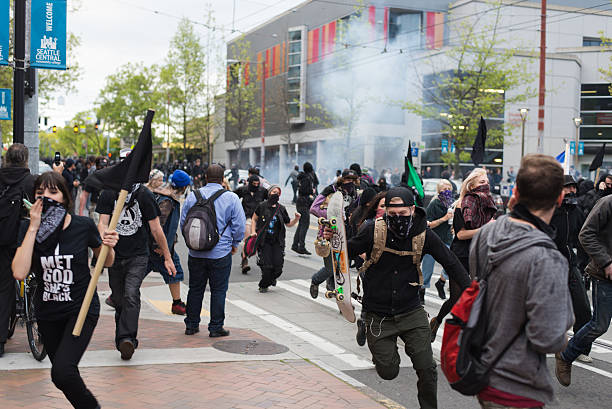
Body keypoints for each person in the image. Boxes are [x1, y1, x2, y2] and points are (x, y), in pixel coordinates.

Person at [323, 187, 470, 409]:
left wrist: (472, 292)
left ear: (412, 209)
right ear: (385, 212)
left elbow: (451, 263)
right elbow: (343, 256)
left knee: (427, 367)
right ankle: (380, 351)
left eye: (402, 214)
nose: (397, 219)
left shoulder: (424, 233)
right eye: (392, 215)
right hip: (378, 315)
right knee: (388, 372)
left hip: (411, 311)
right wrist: (333, 241)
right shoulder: (373, 230)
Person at [471, 154, 573, 408]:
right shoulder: (549, 259)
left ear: (515, 191)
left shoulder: (486, 234)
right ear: (559, 198)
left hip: (482, 371)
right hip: (520, 386)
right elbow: (548, 338)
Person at [12, 171, 119, 408]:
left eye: (53, 192)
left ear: (65, 197)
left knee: (62, 372)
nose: (46, 197)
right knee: (62, 374)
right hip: (48, 313)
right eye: (40, 193)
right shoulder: (28, 229)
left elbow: (107, 261)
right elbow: (19, 272)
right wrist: (33, 228)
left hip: (80, 309)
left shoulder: (82, 225)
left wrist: (109, 246)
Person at [96, 180, 176, 360]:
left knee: (131, 293)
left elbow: (156, 228)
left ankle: (127, 338)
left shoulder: (144, 195)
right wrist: (104, 237)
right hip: (114, 254)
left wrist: (167, 257)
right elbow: (102, 222)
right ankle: (122, 337)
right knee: (118, 297)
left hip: (138, 255)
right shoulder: (109, 192)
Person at [430, 168, 497, 340]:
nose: (485, 185)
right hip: (460, 255)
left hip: (480, 253)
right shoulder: (462, 204)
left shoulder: (487, 204)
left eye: (487, 182)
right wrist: (485, 228)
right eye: (482, 182)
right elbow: (460, 234)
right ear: (471, 184)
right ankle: (437, 321)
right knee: (457, 297)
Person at [555, 187, 612, 387]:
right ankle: (566, 355)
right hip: (603, 274)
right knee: (599, 324)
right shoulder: (607, 203)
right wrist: (606, 262)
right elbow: (586, 234)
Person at [181, 164, 245, 337]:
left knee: (195, 288)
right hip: (220, 252)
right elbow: (239, 226)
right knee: (218, 290)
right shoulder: (231, 198)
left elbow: (183, 223)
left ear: (205, 177)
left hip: (195, 252)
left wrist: (192, 242)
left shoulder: (193, 196)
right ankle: (216, 327)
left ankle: (191, 325)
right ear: (223, 178)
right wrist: (235, 243)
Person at [550, 175, 592, 363]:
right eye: (567, 188)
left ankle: (580, 349)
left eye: (574, 188)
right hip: (549, 266)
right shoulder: (548, 210)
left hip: (571, 264)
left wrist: (585, 262)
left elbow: (583, 237)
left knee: (583, 308)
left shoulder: (576, 212)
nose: (572, 191)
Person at [0, 144, 35, 357]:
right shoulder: (31, 181)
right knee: (34, 278)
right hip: (24, 240)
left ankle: (1, 338)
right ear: (25, 160)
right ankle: (35, 320)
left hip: (2, 241)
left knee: (3, 286)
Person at [309, 169, 361, 298]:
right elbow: (313, 209)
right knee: (331, 267)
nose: (350, 183)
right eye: (347, 180)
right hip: (329, 234)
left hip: (348, 235)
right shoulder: (330, 191)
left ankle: (342, 300)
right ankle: (315, 281)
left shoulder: (355, 194)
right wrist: (334, 216)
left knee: (343, 270)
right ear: (341, 179)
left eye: (353, 180)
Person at [147, 169, 191, 315]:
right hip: (160, 247)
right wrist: (159, 245)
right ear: (183, 187)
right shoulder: (167, 200)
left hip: (160, 245)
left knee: (138, 272)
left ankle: (116, 296)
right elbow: (159, 224)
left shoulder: (164, 196)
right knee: (175, 270)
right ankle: (177, 304)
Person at [250, 185, 300, 292]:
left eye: (277, 192)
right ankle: (263, 285)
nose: (275, 194)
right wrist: (253, 232)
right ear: (269, 193)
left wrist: (296, 219)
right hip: (264, 241)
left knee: (278, 268)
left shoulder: (281, 209)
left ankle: (271, 279)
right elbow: (254, 219)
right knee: (267, 266)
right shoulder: (262, 206)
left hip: (278, 242)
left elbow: (289, 224)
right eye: (273, 192)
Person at [423, 180, 454, 301]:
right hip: (433, 238)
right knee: (428, 267)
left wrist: (453, 225)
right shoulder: (434, 204)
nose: (447, 191)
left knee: (451, 263)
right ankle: (422, 290)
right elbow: (428, 224)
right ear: (439, 191)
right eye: (444, 189)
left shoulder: (451, 203)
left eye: (449, 189)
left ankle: (441, 282)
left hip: (447, 238)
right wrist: (444, 218)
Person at [235, 175, 268, 274]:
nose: (256, 185)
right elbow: (232, 197)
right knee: (248, 238)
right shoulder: (243, 190)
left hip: (259, 218)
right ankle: (245, 261)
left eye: (258, 184)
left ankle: (263, 261)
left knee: (261, 241)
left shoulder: (262, 191)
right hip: (247, 217)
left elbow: (271, 199)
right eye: (254, 184)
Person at [292, 162, 316, 255]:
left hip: (300, 202)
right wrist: (311, 191)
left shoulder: (302, 176)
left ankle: (295, 245)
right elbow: (304, 190)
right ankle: (301, 246)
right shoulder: (306, 178)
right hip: (303, 203)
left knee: (302, 224)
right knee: (305, 224)